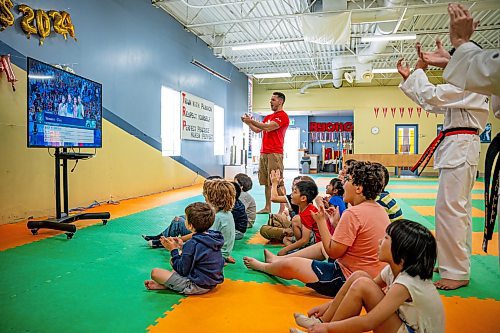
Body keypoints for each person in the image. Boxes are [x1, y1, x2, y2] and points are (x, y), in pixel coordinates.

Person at [397, 51, 489, 290]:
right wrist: (411, 77)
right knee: (457, 211)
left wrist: (420, 68)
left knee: (451, 211)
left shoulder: (472, 83)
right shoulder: (466, 86)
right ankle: (453, 262)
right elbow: (430, 102)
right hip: (458, 146)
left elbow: (433, 95)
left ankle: (457, 272)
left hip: (461, 146)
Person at [243, 161, 389, 297]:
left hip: (347, 280)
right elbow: (352, 244)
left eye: (348, 180)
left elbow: (333, 251)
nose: (343, 185)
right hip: (370, 277)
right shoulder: (380, 210)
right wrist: (335, 223)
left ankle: (264, 267)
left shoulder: (353, 213)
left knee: (294, 265)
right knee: (320, 246)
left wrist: (321, 221)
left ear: (358, 188)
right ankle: (276, 259)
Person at [291, 220, 444, 333]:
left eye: (385, 239)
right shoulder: (393, 270)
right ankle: (320, 321)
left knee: (363, 284)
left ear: (402, 254)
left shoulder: (407, 283)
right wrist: (326, 307)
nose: (379, 241)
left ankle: (321, 329)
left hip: (410, 330)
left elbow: (369, 322)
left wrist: (328, 329)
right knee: (359, 276)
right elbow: (363, 289)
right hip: (403, 324)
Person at [144, 202, 224, 295]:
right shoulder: (213, 236)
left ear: (190, 225)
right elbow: (200, 253)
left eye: (185, 219)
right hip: (211, 281)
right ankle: (170, 284)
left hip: (198, 285)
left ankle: (170, 285)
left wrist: (173, 249)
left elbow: (182, 269)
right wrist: (182, 246)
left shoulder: (192, 244)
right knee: (175, 259)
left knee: (155, 273)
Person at [241, 92, 289, 214]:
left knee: (277, 181)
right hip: (264, 153)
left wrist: (251, 121)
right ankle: (268, 207)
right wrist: (249, 123)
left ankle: (282, 209)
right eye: (270, 100)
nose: (271, 102)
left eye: (273, 99)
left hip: (275, 153)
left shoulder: (283, 116)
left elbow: (268, 127)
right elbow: (258, 130)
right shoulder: (268, 117)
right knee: (267, 182)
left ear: (280, 101)